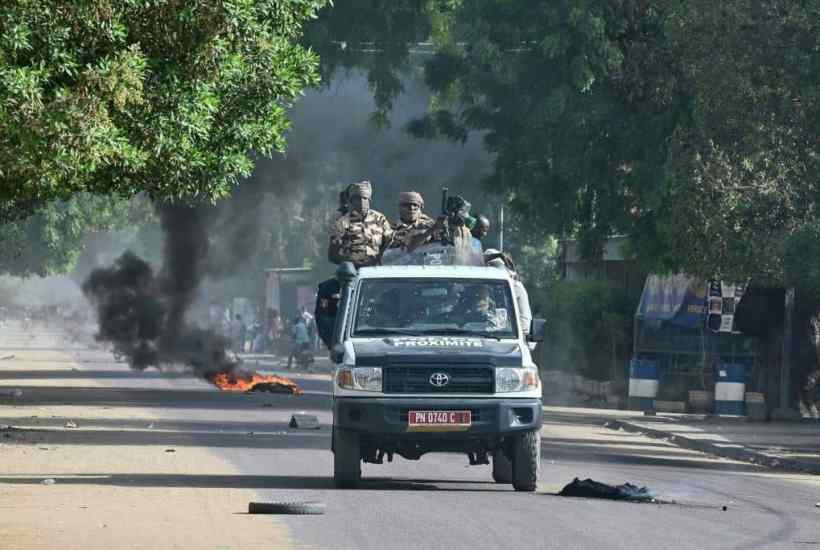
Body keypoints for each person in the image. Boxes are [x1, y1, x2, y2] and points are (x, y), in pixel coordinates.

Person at [328, 181, 393, 268]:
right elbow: (333, 255)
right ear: (351, 201)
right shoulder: (342, 222)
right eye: (358, 199)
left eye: (365, 198)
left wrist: (379, 257)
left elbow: (390, 243)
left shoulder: (380, 219)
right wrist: (350, 260)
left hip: (376, 268)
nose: (362, 202)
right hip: (352, 269)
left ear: (369, 200)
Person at [485, 249, 532, 335]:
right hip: (499, 331)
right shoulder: (499, 286)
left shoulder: (513, 286)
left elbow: (524, 324)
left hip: (514, 334)